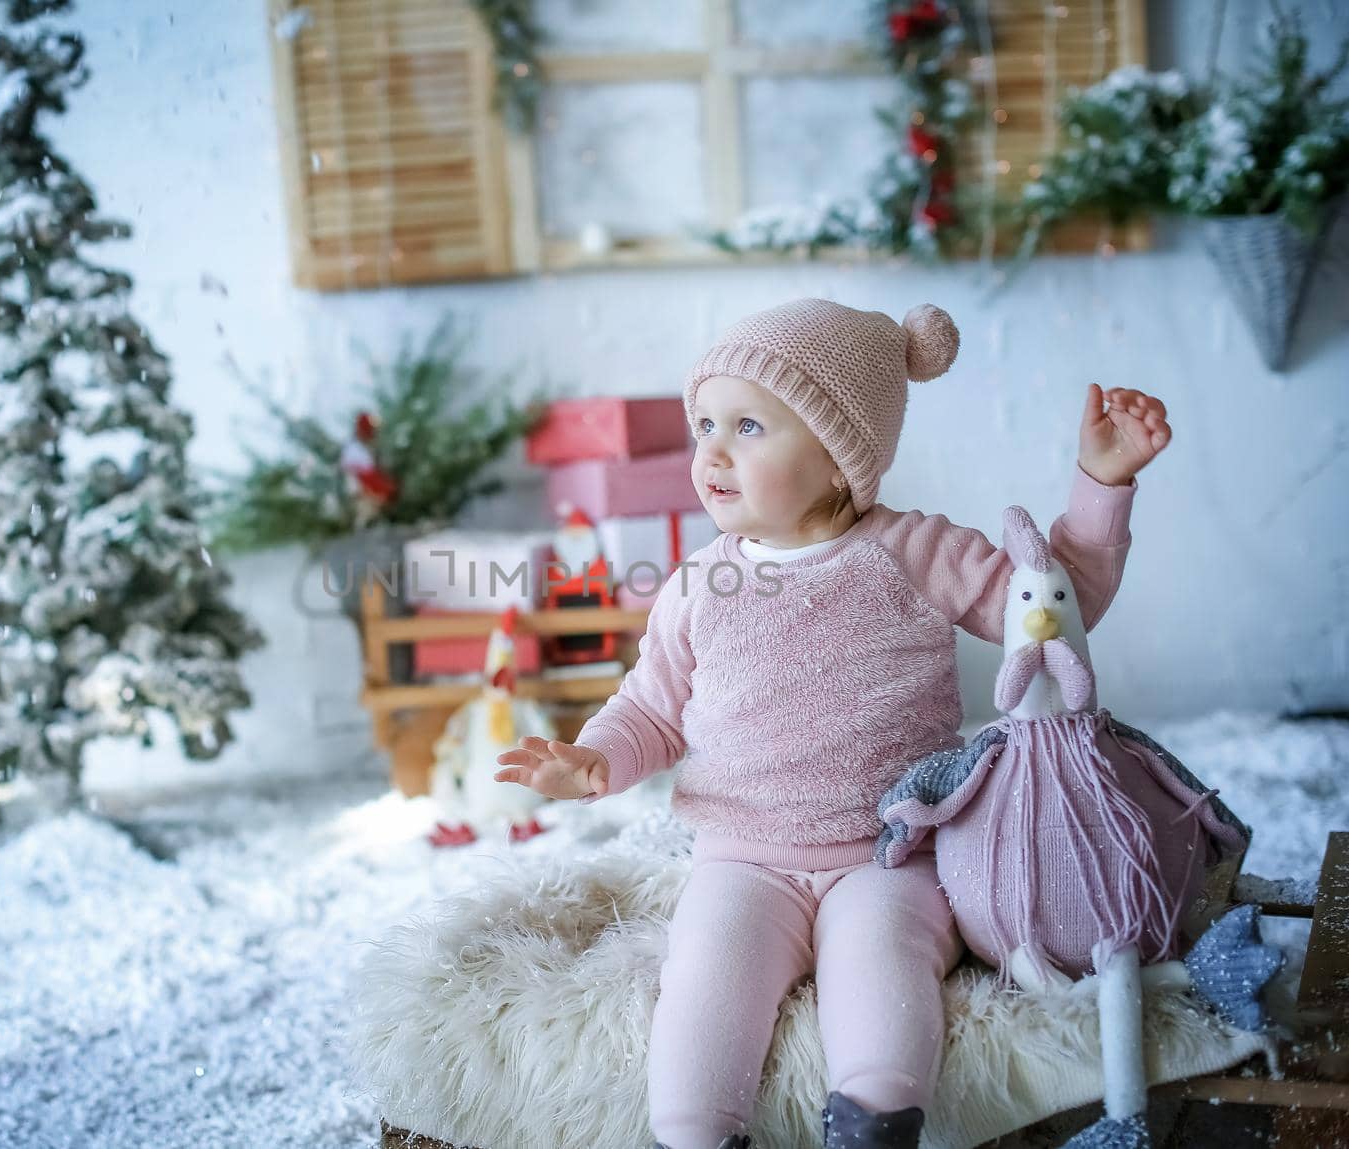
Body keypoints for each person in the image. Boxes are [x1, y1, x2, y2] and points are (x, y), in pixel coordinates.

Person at [495, 299, 1173, 1149]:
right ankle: (696, 1130)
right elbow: (651, 705)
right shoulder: (698, 585)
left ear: (837, 454)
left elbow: (1050, 610)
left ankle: (876, 1121)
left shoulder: (913, 551)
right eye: (704, 423)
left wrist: (1099, 487)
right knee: (705, 985)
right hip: (742, 856)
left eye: (748, 425)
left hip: (888, 850)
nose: (712, 451)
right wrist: (596, 757)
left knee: (883, 977)